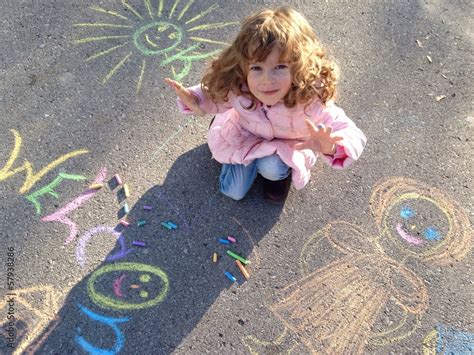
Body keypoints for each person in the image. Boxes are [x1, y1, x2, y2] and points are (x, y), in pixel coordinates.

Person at [166, 6, 366, 203]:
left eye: (279, 67)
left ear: (298, 67)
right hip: (245, 136)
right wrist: (195, 99)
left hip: (287, 148)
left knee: (273, 167)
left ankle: (279, 177)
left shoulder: (310, 99)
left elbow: (351, 132)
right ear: (244, 68)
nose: (267, 79)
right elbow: (214, 92)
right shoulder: (240, 87)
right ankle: (225, 126)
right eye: (257, 68)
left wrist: (331, 147)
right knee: (232, 192)